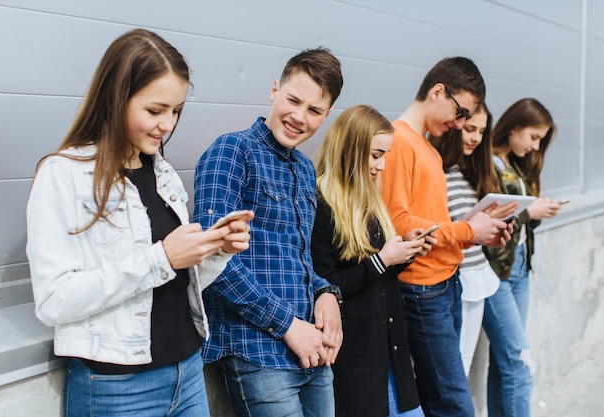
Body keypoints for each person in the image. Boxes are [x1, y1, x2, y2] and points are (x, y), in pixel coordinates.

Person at [25, 29, 253, 417]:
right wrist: (161, 257)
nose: (167, 124)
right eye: (155, 110)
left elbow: (175, 281)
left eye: (176, 110)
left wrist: (215, 251)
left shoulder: (163, 173)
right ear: (116, 99)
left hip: (189, 373)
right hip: (117, 389)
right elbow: (54, 301)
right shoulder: (62, 174)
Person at [192, 47, 344, 417]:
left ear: (326, 116)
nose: (298, 117)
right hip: (257, 353)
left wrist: (326, 292)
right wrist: (289, 325)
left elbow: (298, 256)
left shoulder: (306, 170)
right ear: (275, 90)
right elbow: (212, 263)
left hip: (310, 349)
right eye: (293, 100)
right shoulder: (232, 152)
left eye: (314, 111)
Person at [380, 57, 511, 417]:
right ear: (438, 91)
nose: (458, 123)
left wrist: (478, 233)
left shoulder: (424, 146)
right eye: (459, 112)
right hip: (422, 290)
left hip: (445, 284)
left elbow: (432, 220)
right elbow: (399, 223)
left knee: (442, 398)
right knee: (455, 404)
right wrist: (469, 230)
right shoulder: (399, 142)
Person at [311, 104, 429, 417]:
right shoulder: (321, 205)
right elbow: (324, 285)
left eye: (385, 155)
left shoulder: (370, 200)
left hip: (391, 350)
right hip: (358, 357)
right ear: (351, 149)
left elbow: (380, 271)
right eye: (376, 154)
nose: (382, 165)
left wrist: (406, 250)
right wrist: (381, 261)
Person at [482, 98, 562, 417]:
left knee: (504, 363)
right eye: (533, 137)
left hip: (519, 271)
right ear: (514, 128)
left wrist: (539, 210)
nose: (535, 146)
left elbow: (520, 221)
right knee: (519, 362)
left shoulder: (516, 165)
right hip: (495, 273)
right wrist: (530, 212)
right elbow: (489, 222)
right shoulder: (487, 163)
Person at [431, 103, 517, 376]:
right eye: (469, 129)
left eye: (481, 131)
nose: (475, 138)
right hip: (450, 279)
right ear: (452, 127)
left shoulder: (470, 171)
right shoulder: (435, 171)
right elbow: (433, 230)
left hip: (477, 273)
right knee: (447, 371)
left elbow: (469, 232)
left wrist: (492, 232)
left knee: (463, 366)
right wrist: (470, 229)